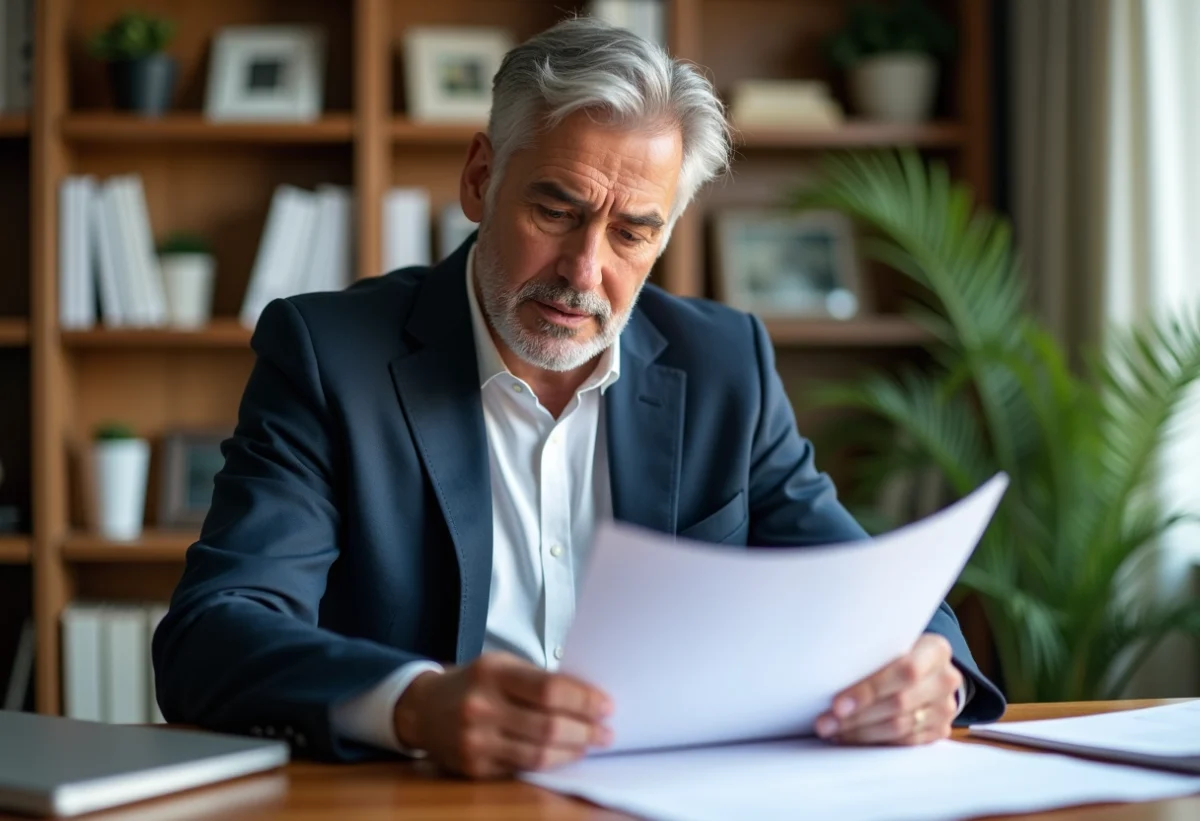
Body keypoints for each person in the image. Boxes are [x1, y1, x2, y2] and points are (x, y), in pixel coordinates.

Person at [153, 17, 1005, 779]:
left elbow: (857, 582)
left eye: (634, 231)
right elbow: (214, 632)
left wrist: (936, 665)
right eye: (556, 210)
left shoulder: (723, 365)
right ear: (481, 178)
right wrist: (413, 704)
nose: (584, 271)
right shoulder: (331, 356)